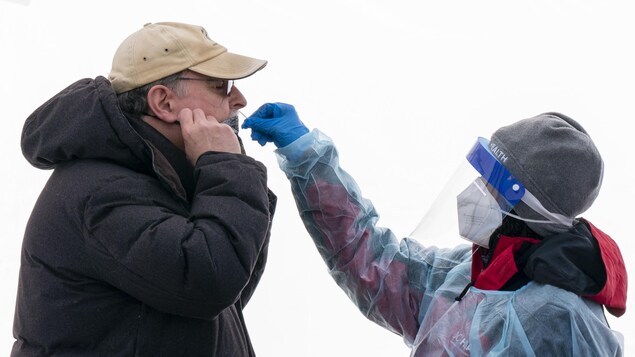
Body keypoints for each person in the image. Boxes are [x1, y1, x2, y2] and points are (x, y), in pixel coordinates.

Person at [242, 103, 627, 356]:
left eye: (489, 184)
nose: (474, 193)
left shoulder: (561, 319)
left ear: (522, 206)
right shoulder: (473, 278)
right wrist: (306, 155)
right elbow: (372, 262)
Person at [13, 22, 276, 356]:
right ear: (163, 103)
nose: (239, 100)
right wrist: (227, 168)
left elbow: (229, 300)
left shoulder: (163, 179)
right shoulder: (104, 192)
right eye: (220, 85)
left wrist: (220, 172)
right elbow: (210, 283)